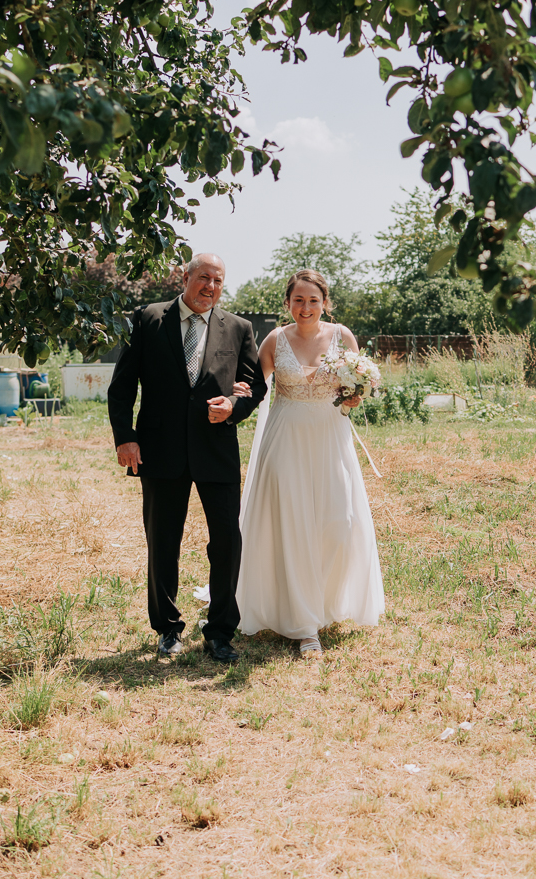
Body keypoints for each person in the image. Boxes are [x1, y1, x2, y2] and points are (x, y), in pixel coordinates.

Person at [107, 253, 267, 664]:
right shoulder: (148, 319)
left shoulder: (239, 328)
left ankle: (220, 632)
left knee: (227, 541)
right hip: (160, 450)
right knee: (163, 541)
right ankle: (167, 629)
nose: (210, 286)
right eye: (204, 277)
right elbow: (122, 386)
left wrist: (233, 406)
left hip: (216, 449)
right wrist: (125, 438)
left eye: (218, 280)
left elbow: (254, 385)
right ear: (186, 277)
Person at [234, 269, 384, 658]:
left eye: (313, 300)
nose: (305, 307)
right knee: (293, 526)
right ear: (288, 303)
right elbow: (253, 386)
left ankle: (326, 602)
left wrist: (355, 396)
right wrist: (230, 396)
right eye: (298, 300)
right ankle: (304, 625)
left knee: (339, 523)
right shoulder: (274, 340)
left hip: (331, 440)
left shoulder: (342, 336)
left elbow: (354, 389)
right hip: (285, 440)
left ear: (325, 303)